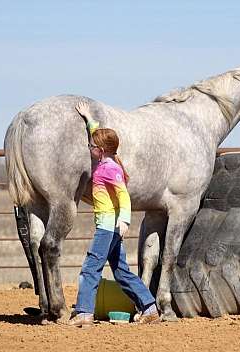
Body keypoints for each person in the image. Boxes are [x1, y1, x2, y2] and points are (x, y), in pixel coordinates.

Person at [69, 101, 160, 327]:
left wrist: (125, 220)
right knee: (121, 272)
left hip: (108, 228)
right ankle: (149, 308)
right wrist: (89, 118)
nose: (89, 147)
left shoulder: (109, 169)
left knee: (90, 268)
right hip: (110, 227)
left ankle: (84, 312)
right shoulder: (105, 160)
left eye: (92, 146)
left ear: (100, 151)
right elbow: (97, 136)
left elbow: (124, 195)